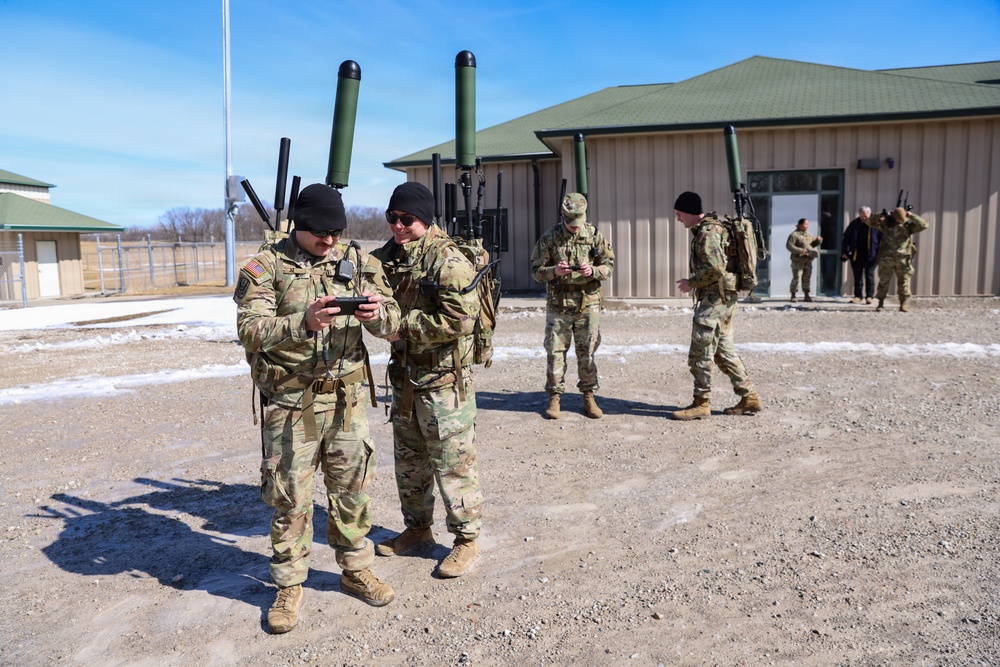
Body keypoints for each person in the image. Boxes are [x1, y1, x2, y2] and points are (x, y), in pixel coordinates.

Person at [235, 183, 401, 634]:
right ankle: (289, 584)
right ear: (298, 225)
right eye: (320, 232)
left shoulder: (357, 260)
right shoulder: (265, 266)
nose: (329, 240)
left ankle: (354, 570)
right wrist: (303, 322)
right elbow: (249, 330)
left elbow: (394, 320)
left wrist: (377, 315)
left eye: (335, 231)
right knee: (290, 495)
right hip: (291, 403)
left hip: (347, 399)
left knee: (351, 489)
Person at [372, 182, 484, 578]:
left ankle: (466, 540)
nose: (398, 226)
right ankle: (418, 530)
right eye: (392, 218)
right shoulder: (388, 256)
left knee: (453, 463)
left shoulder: (448, 261)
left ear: (425, 218)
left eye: (407, 219)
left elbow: (461, 320)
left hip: (442, 381)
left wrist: (404, 327)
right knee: (410, 462)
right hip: (404, 378)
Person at [671, 191, 762, 420]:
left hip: (715, 299)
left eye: (679, 214)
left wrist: (691, 283)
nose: (678, 219)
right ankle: (749, 397)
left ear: (690, 212)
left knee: (701, 350)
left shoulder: (707, 232)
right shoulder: (712, 228)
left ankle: (701, 403)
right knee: (723, 351)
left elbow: (715, 269)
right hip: (723, 298)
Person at [529, 192, 615, 420]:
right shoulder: (549, 238)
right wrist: (553, 271)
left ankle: (588, 397)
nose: (575, 228)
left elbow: (609, 265)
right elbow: (535, 271)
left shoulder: (594, 234)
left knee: (587, 352)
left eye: (578, 224)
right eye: (570, 224)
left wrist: (594, 271)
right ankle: (555, 398)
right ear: (563, 217)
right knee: (555, 353)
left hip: (588, 304)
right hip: (559, 305)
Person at [865, 207, 929, 312]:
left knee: (904, 282)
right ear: (894, 217)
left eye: (902, 219)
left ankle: (903, 304)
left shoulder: (908, 226)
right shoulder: (886, 224)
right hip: (887, 258)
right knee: (883, 282)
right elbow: (869, 222)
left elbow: (924, 225)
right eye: (899, 219)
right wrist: (881, 214)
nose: (900, 221)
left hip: (903, 259)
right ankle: (880, 304)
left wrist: (911, 215)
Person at [841, 206, 881, 304]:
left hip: (871, 255)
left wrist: (880, 253)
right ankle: (858, 296)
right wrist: (844, 252)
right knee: (857, 276)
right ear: (859, 215)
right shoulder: (854, 224)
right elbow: (846, 238)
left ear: (870, 215)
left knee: (869, 275)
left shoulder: (876, 224)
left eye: (866, 216)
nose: (864, 218)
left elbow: (882, 240)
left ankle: (869, 296)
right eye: (862, 216)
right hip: (856, 254)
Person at [786, 218, 822, 302]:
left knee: (807, 278)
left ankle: (806, 295)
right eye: (805, 224)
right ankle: (793, 295)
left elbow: (812, 245)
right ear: (800, 225)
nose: (807, 226)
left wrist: (818, 241)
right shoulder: (794, 235)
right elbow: (789, 246)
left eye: (807, 224)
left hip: (808, 260)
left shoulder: (809, 235)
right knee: (797, 277)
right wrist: (801, 250)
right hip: (798, 260)